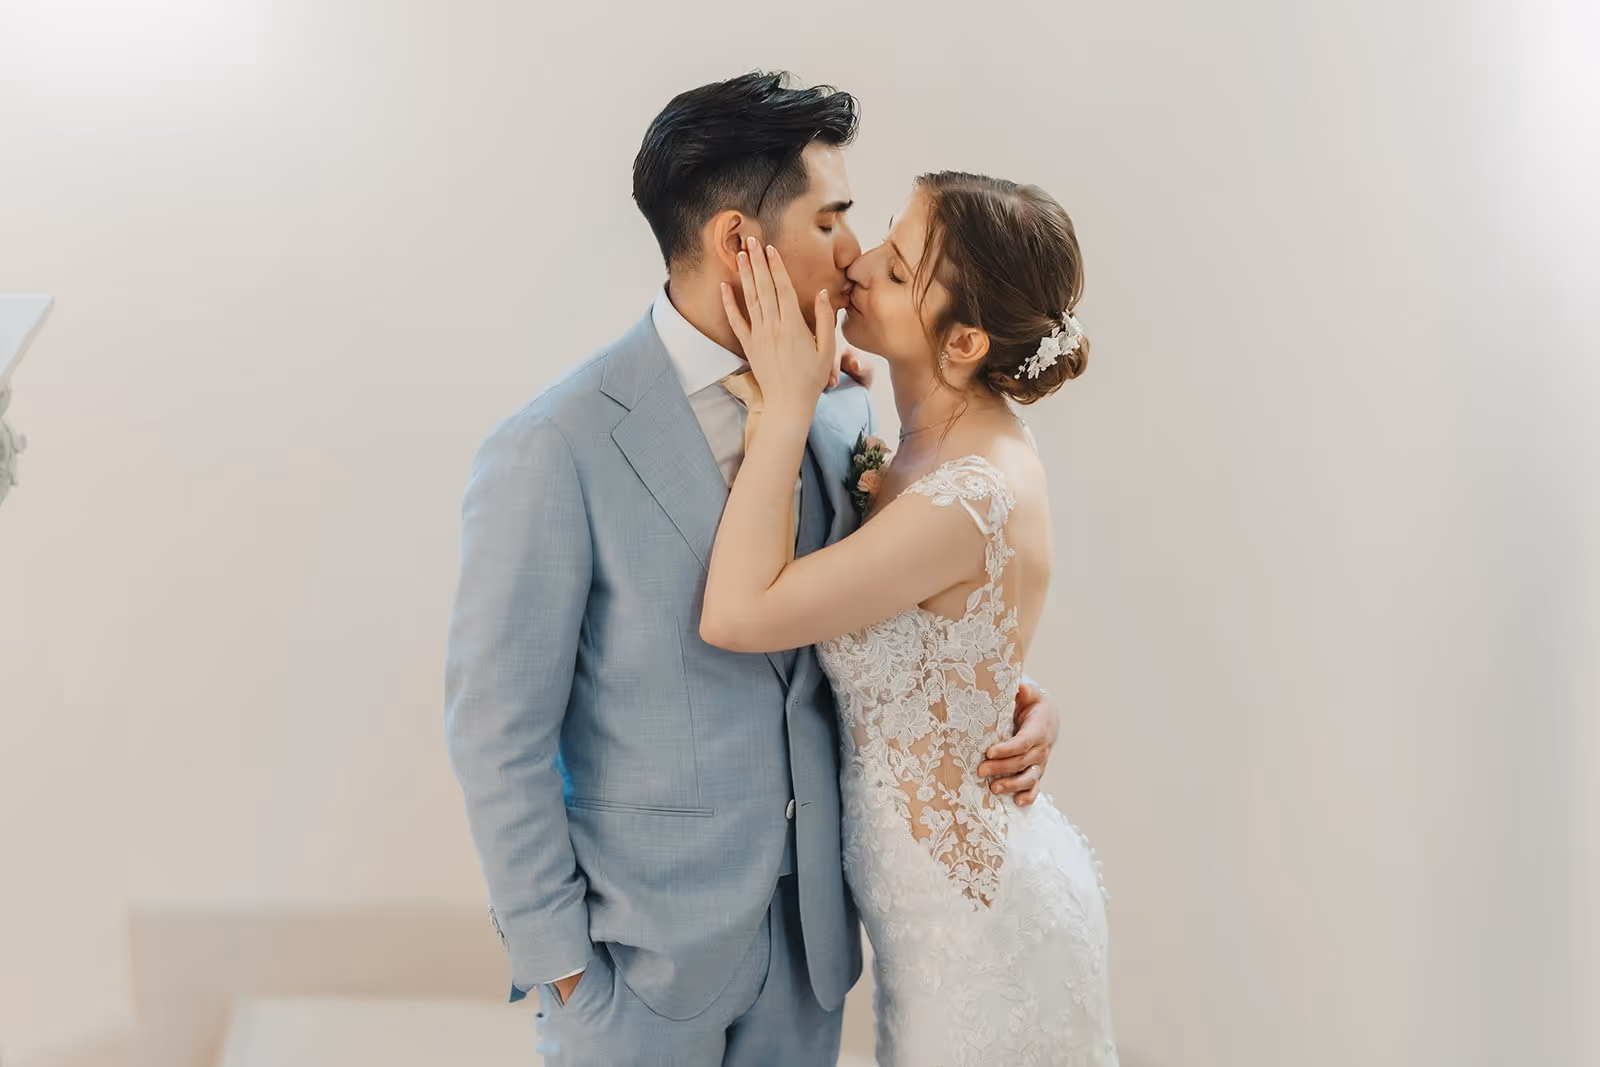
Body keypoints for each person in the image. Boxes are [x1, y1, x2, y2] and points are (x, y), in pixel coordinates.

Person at [444, 72, 1064, 1067]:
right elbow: (494, 725)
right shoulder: (551, 448)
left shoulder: (842, 407)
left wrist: (1002, 691)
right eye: (833, 221)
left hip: (811, 952)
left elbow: (897, 611)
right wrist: (562, 962)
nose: (855, 254)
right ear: (742, 243)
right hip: (636, 972)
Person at [700, 171, 1117, 1065]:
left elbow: (738, 612)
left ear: (963, 340)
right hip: (935, 914)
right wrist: (1016, 688)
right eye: (887, 235)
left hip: (973, 931)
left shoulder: (969, 491)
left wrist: (782, 408)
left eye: (898, 268)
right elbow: (953, 631)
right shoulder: (933, 438)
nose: (862, 259)